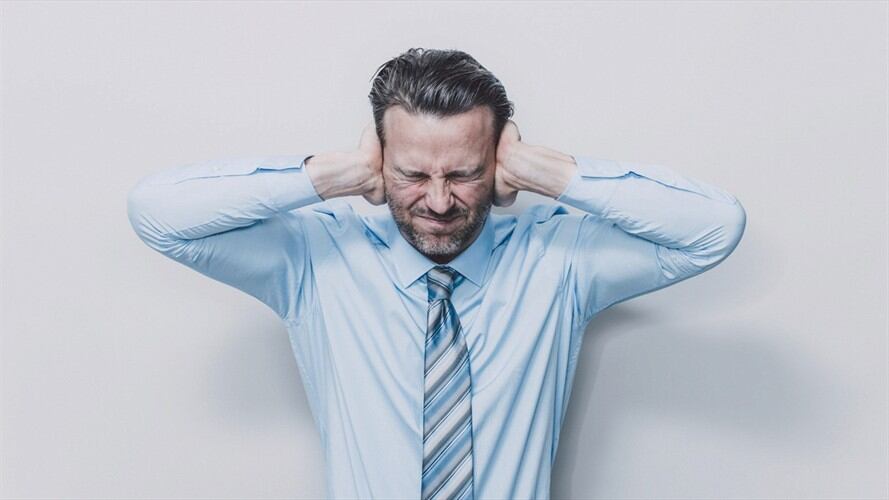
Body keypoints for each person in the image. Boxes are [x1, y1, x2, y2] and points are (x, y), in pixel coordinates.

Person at [127, 47, 746, 500]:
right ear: (379, 158)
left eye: (464, 173)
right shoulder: (315, 263)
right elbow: (158, 215)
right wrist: (332, 175)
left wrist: (544, 170)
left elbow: (713, 228)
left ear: (498, 161)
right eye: (413, 174)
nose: (440, 201)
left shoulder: (559, 263)